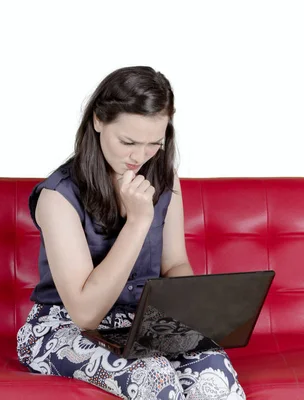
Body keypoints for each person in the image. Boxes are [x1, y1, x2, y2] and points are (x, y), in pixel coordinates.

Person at [16, 66, 246, 400]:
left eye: (154, 142)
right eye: (128, 142)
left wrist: (194, 316)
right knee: (153, 377)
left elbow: (175, 264)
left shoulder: (165, 177)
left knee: (214, 377)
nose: (140, 156)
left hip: (144, 322)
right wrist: (137, 223)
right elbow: (85, 312)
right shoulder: (58, 197)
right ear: (98, 121)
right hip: (63, 327)